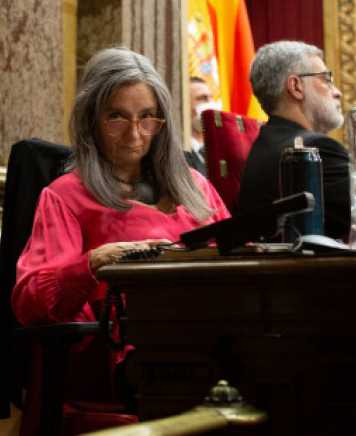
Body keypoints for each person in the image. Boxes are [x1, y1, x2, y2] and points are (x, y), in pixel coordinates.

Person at [12, 47, 229, 369]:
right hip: (129, 354)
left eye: (147, 117)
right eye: (116, 117)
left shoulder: (195, 185)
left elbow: (235, 255)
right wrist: (96, 261)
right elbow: (32, 304)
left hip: (211, 336)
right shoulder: (67, 195)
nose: (134, 132)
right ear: (92, 120)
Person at [237, 41, 351, 239]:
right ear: (296, 86)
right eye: (326, 80)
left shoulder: (262, 147)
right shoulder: (317, 149)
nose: (337, 92)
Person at [186, 76, 214, 174]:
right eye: (202, 98)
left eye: (211, 98)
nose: (211, 104)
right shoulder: (178, 153)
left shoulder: (213, 152)